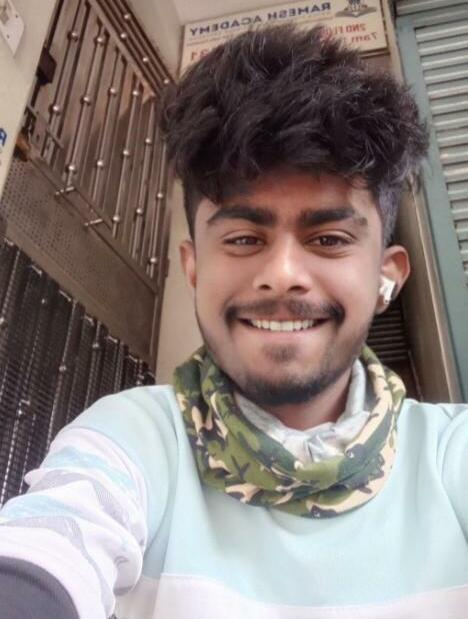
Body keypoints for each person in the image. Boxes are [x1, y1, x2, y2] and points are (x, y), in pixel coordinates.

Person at [0, 24, 467, 619]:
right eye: (244, 238)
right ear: (193, 268)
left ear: (387, 277)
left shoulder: (451, 457)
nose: (283, 275)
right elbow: (48, 548)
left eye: (328, 238)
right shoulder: (137, 439)